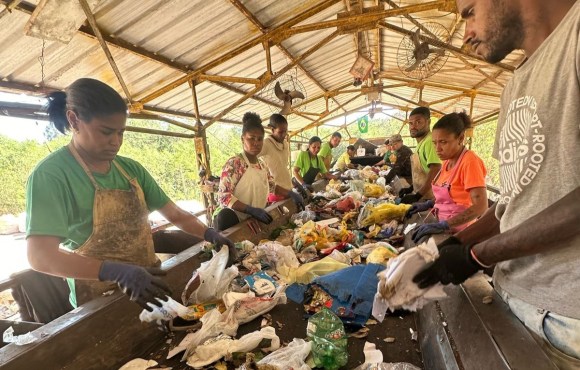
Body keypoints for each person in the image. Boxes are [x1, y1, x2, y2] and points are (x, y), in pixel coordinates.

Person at [413, 1, 580, 367]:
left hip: (567, 322)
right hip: (509, 297)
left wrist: (476, 256)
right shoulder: (514, 84)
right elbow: (515, 204)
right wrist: (459, 242)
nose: (466, 33)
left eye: (470, 12)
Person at [25, 78, 237, 311]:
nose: (116, 142)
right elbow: (40, 256)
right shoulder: (52, 175)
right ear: (74, 119)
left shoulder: (130, 170)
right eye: (106, 132)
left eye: (121, 133)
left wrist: (209, 233)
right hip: (98, 300)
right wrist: (112, 271)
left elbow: (175, 214)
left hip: (151, 284)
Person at [214, 112, 303, 231]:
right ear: (242, 139)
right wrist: (249, 210)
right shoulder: (235, 164)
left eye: (260, 139)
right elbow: (224, 196)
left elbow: (273, 187)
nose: (256, 143)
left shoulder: (262, 165)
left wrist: (291, 193)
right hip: (234, 221)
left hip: (254, 219)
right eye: (251, 138)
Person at [407, 113, 488, 243]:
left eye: (443, 142)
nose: (437, 149)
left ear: (460, 138)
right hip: (445, 228)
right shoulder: (447, 162)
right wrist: (428, 204)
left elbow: (481, 206)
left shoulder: (469, 161)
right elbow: (452, 197)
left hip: (462, 233)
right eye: (435, 143)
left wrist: (445, 225)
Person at [398, 107, 441, 204]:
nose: (413, 127)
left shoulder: (430, 141)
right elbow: (423, 173)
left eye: (418, 122)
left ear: (428, 122)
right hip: (423, 196)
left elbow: (436, 169)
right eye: (411, 123)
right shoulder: (422, 143)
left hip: (431, 198)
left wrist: (418, 195)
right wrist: (411, 188)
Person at [259, 114, 293, 203]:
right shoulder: (266, 144)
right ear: (272, 130)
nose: (284, 135)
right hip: (276, 193)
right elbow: (252, 158)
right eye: (280, 132)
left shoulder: (285, 144)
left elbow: (283, 167)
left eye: (285, 131)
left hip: (288, 189)